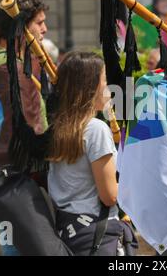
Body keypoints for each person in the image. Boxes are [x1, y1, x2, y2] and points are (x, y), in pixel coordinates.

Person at [0, 0, 70, 256]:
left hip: (0, 183)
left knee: (13, 246)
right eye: (39, 23)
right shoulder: (12, 71)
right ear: (22, 28)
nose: (44, 29)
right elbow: (36, 135)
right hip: (21, 183)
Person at [47, 52, 136, 256]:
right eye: (104, 81)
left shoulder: (58, 127)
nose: (108, 89)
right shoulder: (96, 129)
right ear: (90, 88)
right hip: (97, 233)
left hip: (67, 232)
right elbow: (109, 195)